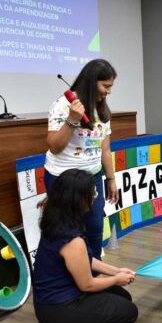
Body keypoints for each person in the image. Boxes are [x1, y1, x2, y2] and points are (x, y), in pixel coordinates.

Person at [31, 169, 138, 323]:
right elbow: (87, 285)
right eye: (92, 193)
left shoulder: (58, 221)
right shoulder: (72, 239)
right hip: (58, 306)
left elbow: (85, 260)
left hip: (54, 301)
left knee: (124, 298)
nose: (95, 196)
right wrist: (116, 280)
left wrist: (116, 271)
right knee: (129, 313)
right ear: (79, 199)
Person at [44, 58, 119, 260]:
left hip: (92, 178)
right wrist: (72, 121)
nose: (108, 91)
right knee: (67, 232)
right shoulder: (63, 105)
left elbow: (105, 148)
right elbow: (54, 146)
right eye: (105, 86)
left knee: (95, 227)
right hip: (64, 179)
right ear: (91, 81)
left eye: (111, 86)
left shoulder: (102, 109)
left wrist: (110, 179)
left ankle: (92, 276)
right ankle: (71, 281)